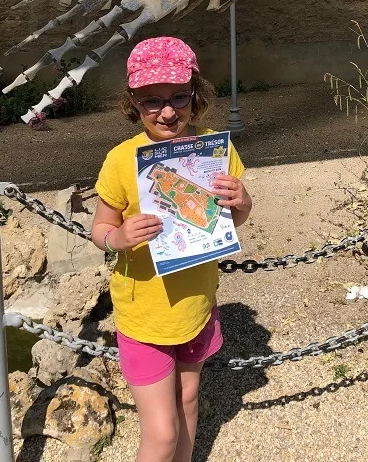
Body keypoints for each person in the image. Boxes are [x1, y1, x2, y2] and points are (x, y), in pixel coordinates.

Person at [91, 37, 252, 462]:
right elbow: (101, 227)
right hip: (144, 315)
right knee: (160, 435)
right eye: (152, 101)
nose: (167, 111)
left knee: (188, 402)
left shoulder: (216, 151)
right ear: (133, 102)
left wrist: (243, 203)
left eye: (179, 96)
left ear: (195, 94)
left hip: (196, 306)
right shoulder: (121, 159)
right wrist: (118, 238)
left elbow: (231, 221)